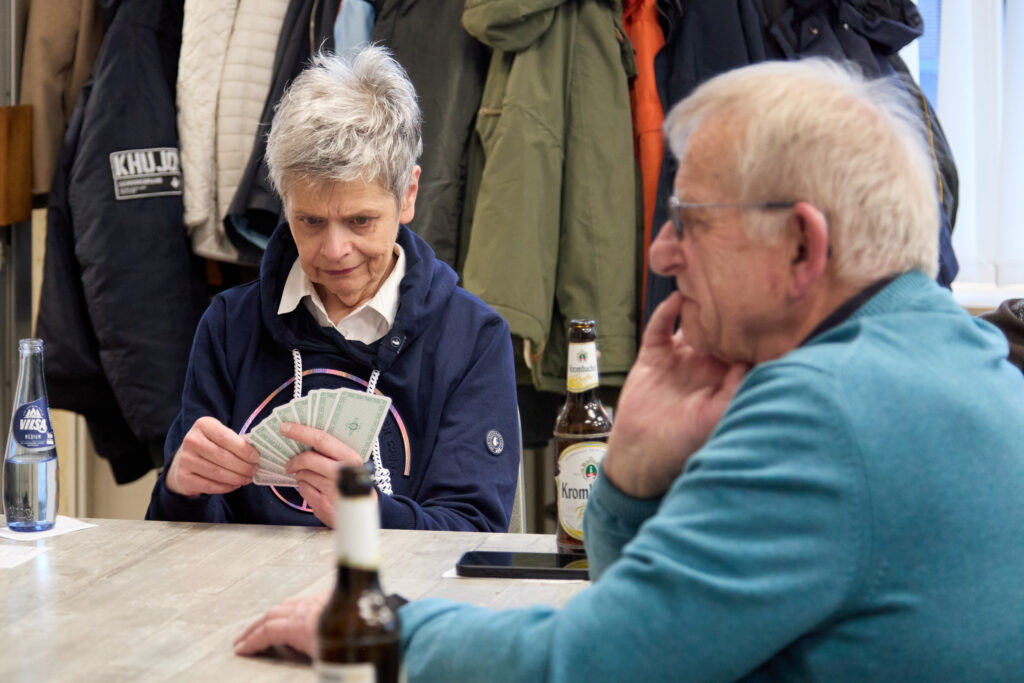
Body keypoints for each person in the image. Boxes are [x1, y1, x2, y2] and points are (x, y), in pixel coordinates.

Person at [234, 58, 1024, 679]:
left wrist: (379, 626)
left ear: (802, 245)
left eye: (692, 221)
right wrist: (636, 473)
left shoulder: (827, 410)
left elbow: (590, 664)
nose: (661, 252)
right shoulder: (961, 363)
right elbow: (647, 628)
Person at [146, 46, 520, 530]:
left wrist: (369, 513)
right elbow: (180, 541)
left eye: (360, 220)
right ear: (284, 203)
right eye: (310, 221)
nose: (335, 250)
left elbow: (474, 535)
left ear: (408, 195)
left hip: (398, 582)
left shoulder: (472, 338)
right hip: (245, 580)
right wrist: (181, 489)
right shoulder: (228, 325)